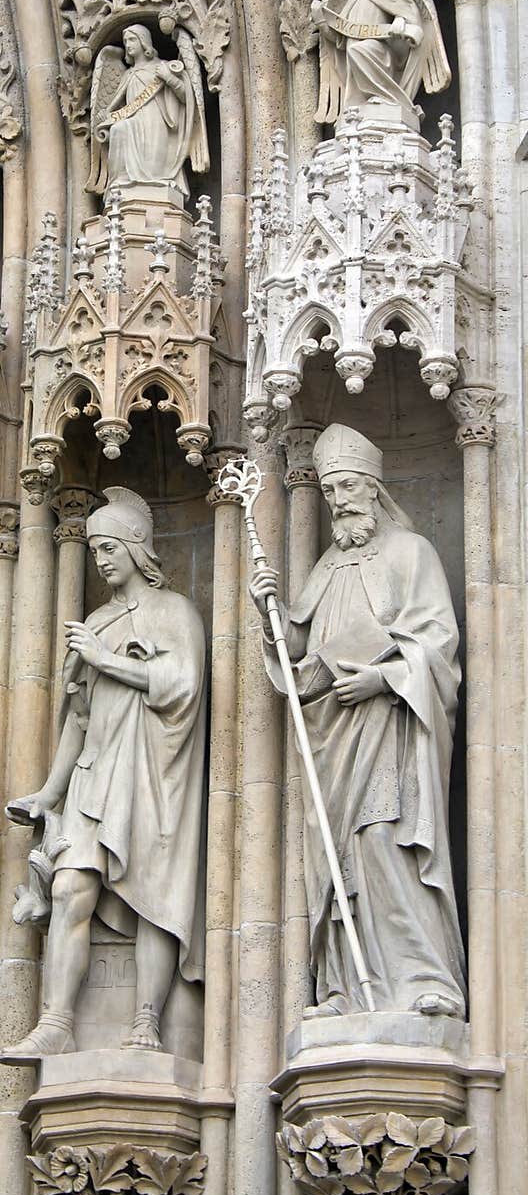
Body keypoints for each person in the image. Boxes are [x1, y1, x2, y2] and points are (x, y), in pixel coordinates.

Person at [249, 424, 466, 1018]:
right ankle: (346, 986)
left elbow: (438, 645)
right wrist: (270, 611)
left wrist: (384, 677)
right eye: (329, 490)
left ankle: (427, 976)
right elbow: (300, 650)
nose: (339, 499)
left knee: (383, 843)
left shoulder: (409, 552)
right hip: (333, 736)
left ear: (373, 488)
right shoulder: (325, 567)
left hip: (391, 730)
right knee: (334, 857)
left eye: (347, 486)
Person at [1, 488, 207, 1061]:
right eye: (94, 550)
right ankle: (58, 1021)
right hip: (95, 774)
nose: (101, 559)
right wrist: (49, 792)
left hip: (154, 774)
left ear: (138, 548)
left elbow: (182, 683)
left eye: (110, 546)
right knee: (69, 888)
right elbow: (79, 717)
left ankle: (147, 1019)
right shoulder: (96, 621)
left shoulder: (174, 612)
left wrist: (104, 659)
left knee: (154, 900)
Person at [311, 0, 448, 125]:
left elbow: (412, 18)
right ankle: (365, 103)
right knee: (354, 50)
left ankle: (388, 97)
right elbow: (339, 40)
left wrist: (400, 21)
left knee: (359, 50)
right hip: (354, 62)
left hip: (384, 54)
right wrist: (321, 19)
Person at [94, 25, 203, 195]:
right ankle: (120, 183)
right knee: (118, 129)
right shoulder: (128, 74)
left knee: (151, 158)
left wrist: (168, 78)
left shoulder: (164, 67)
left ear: (143, 41)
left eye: (132, 39)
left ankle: (154, 182)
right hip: (134, 121)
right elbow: (119, 104)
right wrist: (106, 115)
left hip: (157, 122)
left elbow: (185, 97)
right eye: (125, 41)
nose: (128, 44)